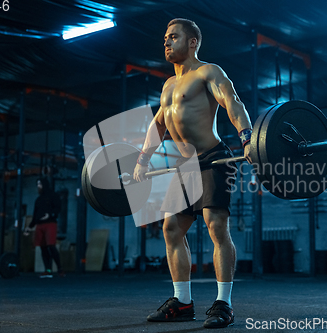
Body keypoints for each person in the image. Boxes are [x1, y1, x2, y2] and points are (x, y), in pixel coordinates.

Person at [133, 18, 252, 328]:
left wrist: (247, 136)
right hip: (185, 165)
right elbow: (158, 124)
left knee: (215, 226)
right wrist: (142, 161)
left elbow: (231, 100)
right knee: (171, 229)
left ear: (193, 42)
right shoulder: (168, 85)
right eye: (165, 38)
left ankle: (223, 303)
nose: (167, 42)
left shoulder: (207, 72)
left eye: (174, 36)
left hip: (213, 159)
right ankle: (182, 302)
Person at [24, 178, 64, 278]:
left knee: (51, 246)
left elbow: (58, 208)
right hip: (40, 225)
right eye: (37, 184)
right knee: (43, 247)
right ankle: (48, 270)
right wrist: (29, 227)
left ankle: (59, 269)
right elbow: (35, 215)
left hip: (50, 224)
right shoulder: (38, 200)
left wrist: (50, 215)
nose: (38, 186)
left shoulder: (53, 196)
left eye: (40, 184)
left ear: (44, 185)